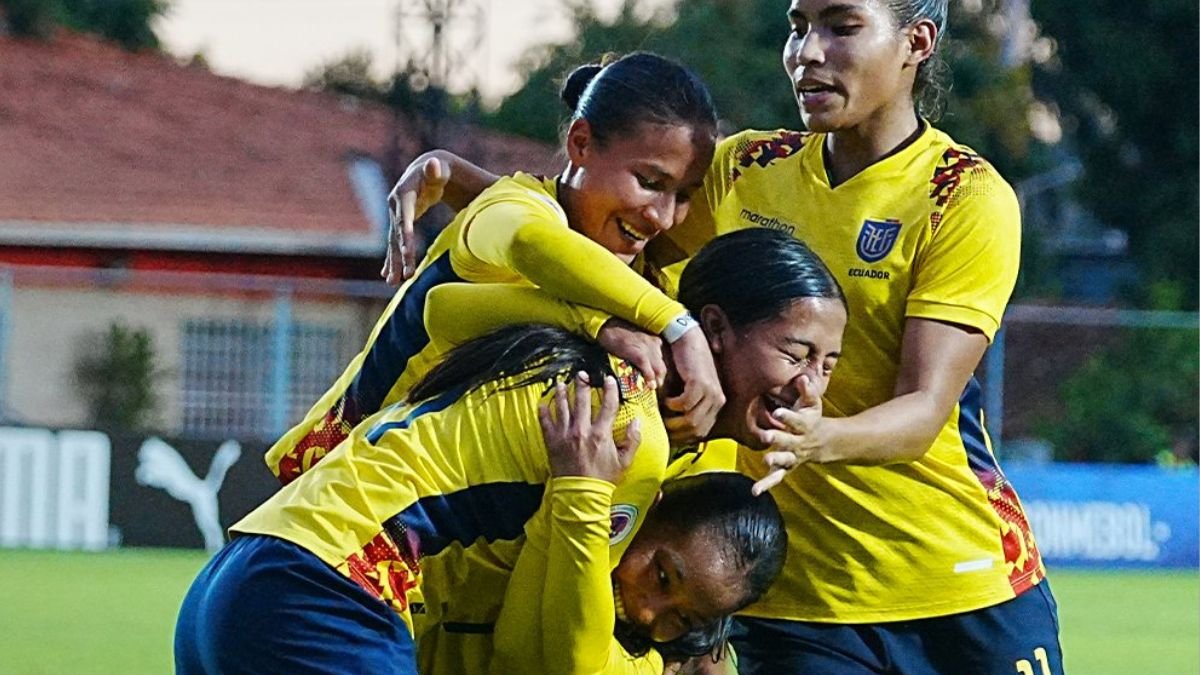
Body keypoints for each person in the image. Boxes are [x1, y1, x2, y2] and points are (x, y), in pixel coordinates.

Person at [385, 1, 1063, 672]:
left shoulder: (963, 195)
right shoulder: (748, 170)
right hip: (797, 607)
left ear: (917, 40)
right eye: (797, 27)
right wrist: (464, 182)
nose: (808, 52)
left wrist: (812, 438)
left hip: (964, 583)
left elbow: (923, 410)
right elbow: (597, 216)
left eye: (841, 26)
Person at [174, 229, 846, 674]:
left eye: (830, 364)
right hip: (329, 595)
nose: (810, 385)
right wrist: (583, 496)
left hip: (244, 573)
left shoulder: (607, 364)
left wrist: (596, 319)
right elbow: (556, 659)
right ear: (717, 331)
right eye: (797, 353)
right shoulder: (625, 433)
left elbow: (433, 310)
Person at [264, 51, 725, 487]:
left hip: (438, 530)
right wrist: (678, 327)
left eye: (683, 196)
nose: (663, 217)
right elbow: (529, 244)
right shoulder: (515, 207)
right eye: (649, 183)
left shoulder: (628, 268)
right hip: (339, 488)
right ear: (580, 143)